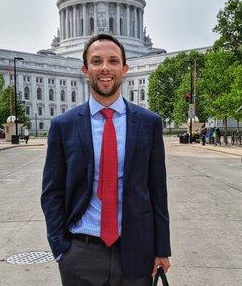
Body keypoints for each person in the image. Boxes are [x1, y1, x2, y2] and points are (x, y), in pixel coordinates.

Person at [41, 34, 171, 286]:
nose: (105, 68)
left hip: (136, 250)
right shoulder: (63, 125)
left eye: (113, 61)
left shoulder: (148, 123)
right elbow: (51, 192)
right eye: (96, 61)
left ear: (124, 68)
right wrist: (60, 248)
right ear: (85, 69)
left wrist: (161, 248)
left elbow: (157, 192)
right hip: (81, 252)